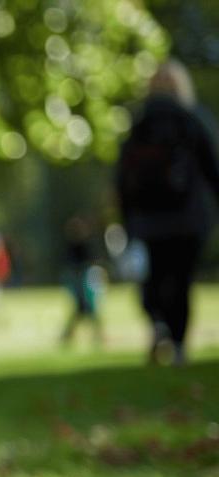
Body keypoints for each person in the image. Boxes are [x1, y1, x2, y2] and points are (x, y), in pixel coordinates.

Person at [118, 59, 219, 366]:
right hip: (188, 218)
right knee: (181, 281)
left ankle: (159, 323)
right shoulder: (192, 119)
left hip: (149, 220)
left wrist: (127, 217)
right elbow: (213, 167)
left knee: (156, 278)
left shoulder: (140, 122)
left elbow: (123, 177)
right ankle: (177, 343)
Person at [60, 215, 105, 348]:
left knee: (85, 310)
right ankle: (72, 335)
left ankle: (71, 335)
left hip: (84, 282)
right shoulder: (72, 247)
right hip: (79, 282)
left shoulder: (84, 245)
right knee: (83, 309)